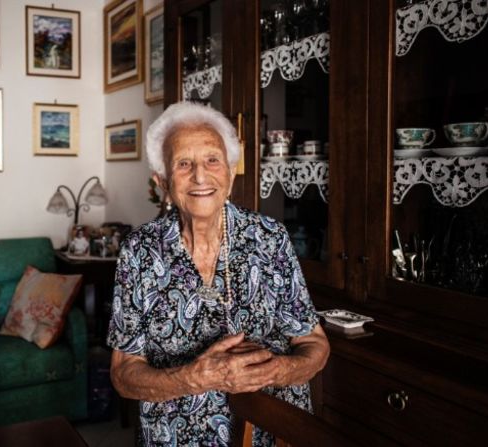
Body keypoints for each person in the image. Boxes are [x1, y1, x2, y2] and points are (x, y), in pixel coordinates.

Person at [107, 102, 330, 446]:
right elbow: (124, 374)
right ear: (162, 182)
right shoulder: (140, 250)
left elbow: (315, 344)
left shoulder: (269, 238)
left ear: (230, 170)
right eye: (184, 164)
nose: (200, 175)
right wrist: (195, 378)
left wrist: (277, 370)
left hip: (269, 432)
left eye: (212, 159)